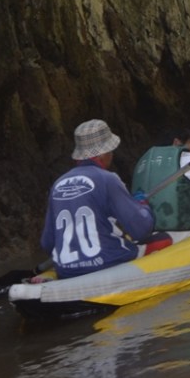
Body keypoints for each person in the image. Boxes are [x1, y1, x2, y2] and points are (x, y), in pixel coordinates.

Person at [41, 119, 155, 278]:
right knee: (164, 239)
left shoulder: (57, 184)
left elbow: (47, 243)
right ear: (102, 154)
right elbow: (141, 230)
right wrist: (143, 207)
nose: (112, 154)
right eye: (110, 150)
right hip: (109, 262)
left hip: (66, 270)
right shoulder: (108, 179)